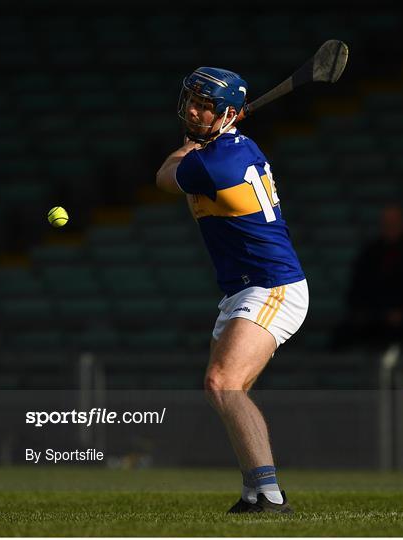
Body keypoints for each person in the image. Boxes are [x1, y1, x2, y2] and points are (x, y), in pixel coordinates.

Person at [156, 67, 308, 514]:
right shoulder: (230, 147)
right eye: (193, 101)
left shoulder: (214, 162)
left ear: (229, 115)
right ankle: (253, 492)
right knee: (224, 388)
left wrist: (189, 146)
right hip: (244, 289)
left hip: (272, 286)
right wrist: (205, 138)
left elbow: (164, 176)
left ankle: (270, 497)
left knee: (223, 384)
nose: (195, 110)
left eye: (208, 106)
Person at [330, 203, 403, 352]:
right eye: (386, 222)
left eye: (394, 222)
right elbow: (357, 287)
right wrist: (366, 311)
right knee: (343, 335)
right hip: (373, 317)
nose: (389, 226)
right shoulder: (371, 252)